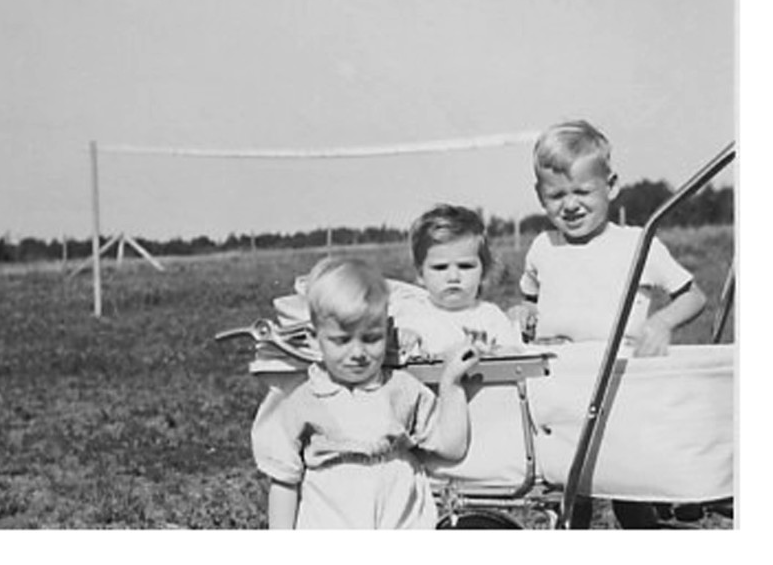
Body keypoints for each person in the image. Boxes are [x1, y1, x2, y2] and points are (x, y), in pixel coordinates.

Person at [508, 119, 707, 528]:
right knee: (569, 486)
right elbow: (527, 300)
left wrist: (663, 322)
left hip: (620, 385)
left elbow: (694, 295)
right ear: (539, 195)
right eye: (556, 194)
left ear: (611, 185)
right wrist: (522, 313)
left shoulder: (636, 243)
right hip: (563, 386)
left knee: (628, 488)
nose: (570, 204)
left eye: (582, 191)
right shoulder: (543, 247)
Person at [251, 257, 480, 529]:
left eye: (371, 338)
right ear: (314, 338)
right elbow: (284, 478)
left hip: (398, 521)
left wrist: (451, 384)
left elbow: (450, 447)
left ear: (387, 331)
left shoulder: (401, 389)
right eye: (341, 340)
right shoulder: (303, 401)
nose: (358, 353)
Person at [393, 204, 525, 358]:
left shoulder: (490, 317)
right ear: (420, 274)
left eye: (465, 266)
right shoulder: (411, 315)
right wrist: (403, 339)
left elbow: (515, 359)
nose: (453, 277)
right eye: (440, 267)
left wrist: (497, 353)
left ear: (483, 271)